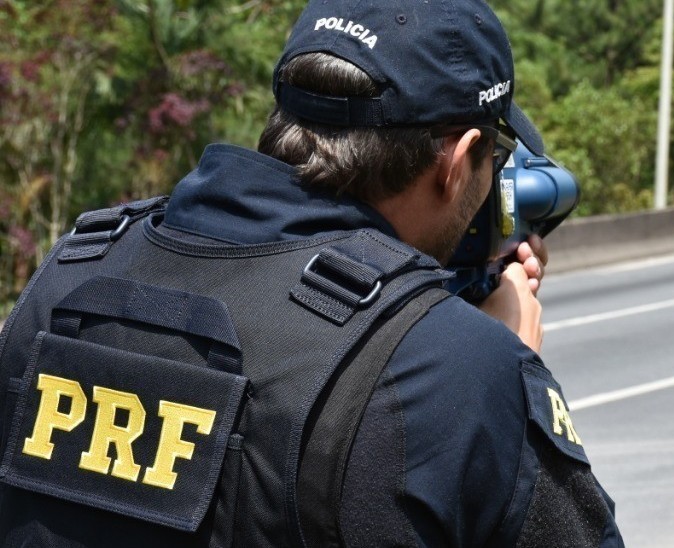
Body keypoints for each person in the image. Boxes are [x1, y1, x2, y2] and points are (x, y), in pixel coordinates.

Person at [0, 0, 623, 546]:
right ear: (457, 163)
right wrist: (499, 370)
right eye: (497, 155)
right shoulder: (457, 371)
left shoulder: (69, 273)